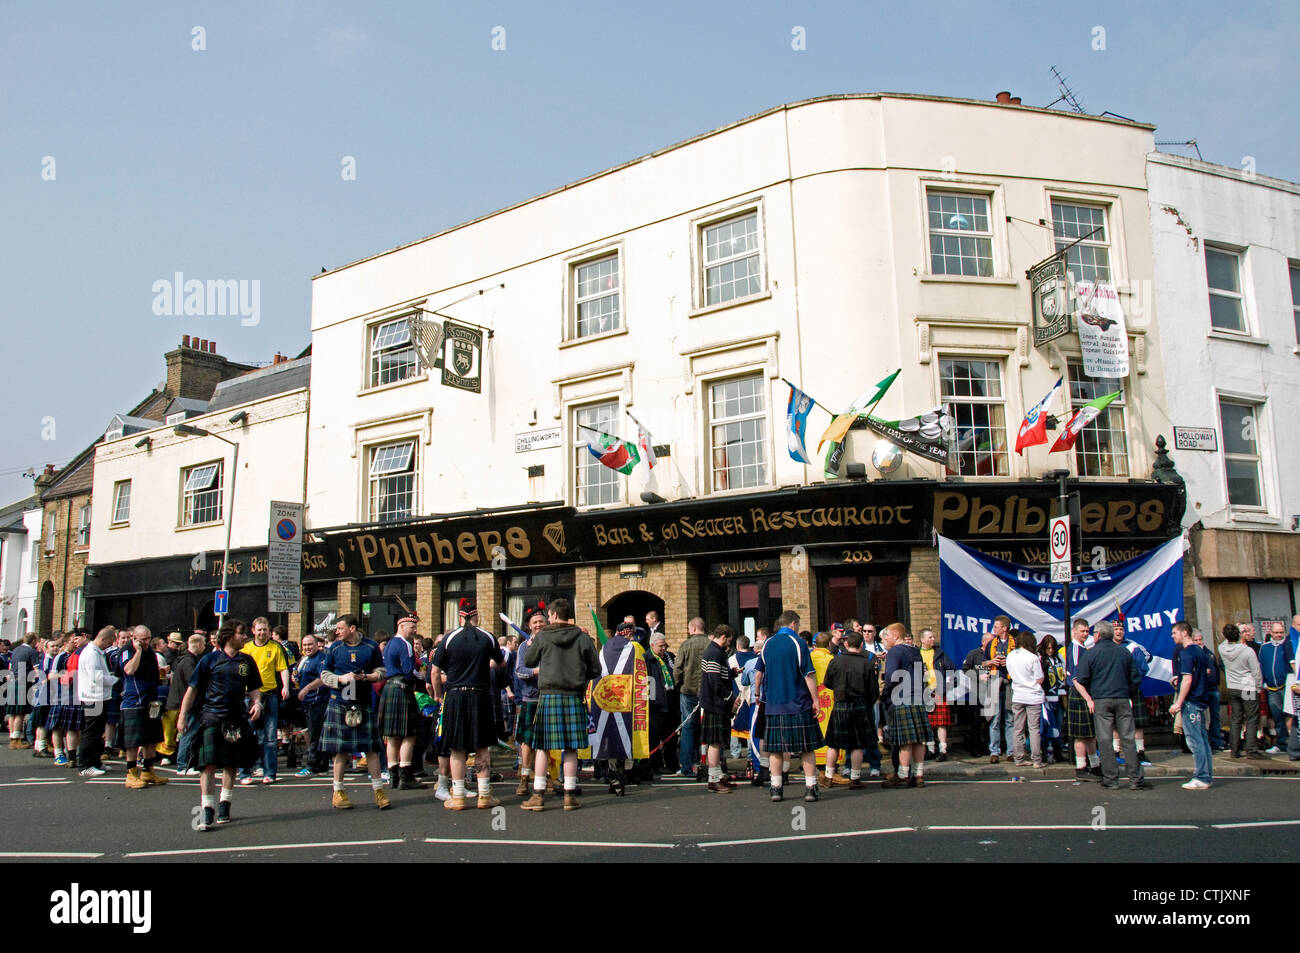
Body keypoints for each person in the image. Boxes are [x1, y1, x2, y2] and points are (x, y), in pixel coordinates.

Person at [178, 621, 263, 830]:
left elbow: (254, 688)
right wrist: (182, 716)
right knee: (207, 764)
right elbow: (193, 690)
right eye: (241, 633)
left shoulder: (247, 661)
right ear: (229, 636)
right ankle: (207, 809)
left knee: (231, 763)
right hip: (212, 716)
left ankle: (225, 804)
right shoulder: (209, 660)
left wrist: (257, 702)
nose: (245, 637)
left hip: (237, 717)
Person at [521, 597, 600, 811]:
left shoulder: (543, 636)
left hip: (549, 695)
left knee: (542, 747)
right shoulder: (583, 638)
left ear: (554, 615)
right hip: (574, 695)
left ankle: (537, 797)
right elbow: (596, 670)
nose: (547, 619)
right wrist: (581, 678)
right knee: (571, 748)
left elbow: (528, 662)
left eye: (548, 615)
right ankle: (569, 796)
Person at [429, 599, 503, 811]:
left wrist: (438, 695)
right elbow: (501, 664)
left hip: (455, 696)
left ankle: (459, 796)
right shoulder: (488, 637)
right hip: (480, 695)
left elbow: (435, 671)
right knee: (482, 748)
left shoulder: (450, 637)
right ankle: (484, 796)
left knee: (457, 748)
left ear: (461, 617)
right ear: (476, 616)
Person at [317, 615, 390, 810]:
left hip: (363, 703)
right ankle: (338, 792)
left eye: (340, 628)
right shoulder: (334, 648)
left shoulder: (371, 647)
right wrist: (340, 679)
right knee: (341, 751)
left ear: (352, 628)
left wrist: (366, 677)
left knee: (372, 750)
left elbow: (382, 671)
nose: (337, 631)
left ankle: (378, 791)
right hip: (340, 704)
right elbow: (324, 675)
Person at [754, 610, 823, 803]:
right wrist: (815, 700)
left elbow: (758, 673)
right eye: (798, 625)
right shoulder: (798, 643)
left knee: (775, 748)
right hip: (798, 703)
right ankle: (810, 787)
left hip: (774, 704)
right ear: (793, 624)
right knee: (806, 748)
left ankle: (776, 788)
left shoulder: (767, 644)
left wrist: (758, 694)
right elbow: (808, 674)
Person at [1073, 621, 1149, 791]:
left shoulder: (1091, 654)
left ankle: (1111, 778)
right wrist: (1128, 692)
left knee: (1105, 740)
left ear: (1098, 635)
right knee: (1128, 739)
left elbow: (1081, 678)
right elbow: (1135, 677)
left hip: (1101, 699)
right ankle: (1135, 779)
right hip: (1122, 698)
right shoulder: (1124, 652)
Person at [821, 630, 876, 790]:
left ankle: (829, 777)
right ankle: (855, 779)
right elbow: (873, 690)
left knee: (833, 744)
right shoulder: (867, 663)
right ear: (861, 645)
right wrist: (867, 703)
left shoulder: (836, 661)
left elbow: (827, 682)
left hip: (841, 704)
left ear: (846, 644)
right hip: (860, 705)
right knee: (858, 745)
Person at [238, 617, 290, 785]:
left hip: (270, 695)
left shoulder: (276, 647)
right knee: (246, 734)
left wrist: (286, 687)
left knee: (270, 737)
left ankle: (269, 773)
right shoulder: (246, 648)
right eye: (259, 630)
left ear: (269, 631)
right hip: (250, 697)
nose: (262, 632)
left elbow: (283, 669)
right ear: (253, 631)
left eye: (265, 630)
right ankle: (245, 772)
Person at [880, 622, 930, 788]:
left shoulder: (895, 651)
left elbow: (892, 677)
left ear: (895, 635)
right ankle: (919, 775)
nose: (884, 640)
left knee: (905, 742)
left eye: (886, 636)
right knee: (918, 740)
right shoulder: (916, 651)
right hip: (917, 698)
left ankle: (903, 776)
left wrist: (885, 693)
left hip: (901, 698)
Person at [380, 613, 425, 790]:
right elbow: (409, 671)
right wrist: (421, 676)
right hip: (402, 688)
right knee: (409, 734)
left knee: (392, 735)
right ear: (402, 626)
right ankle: (406, 776)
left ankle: (393, 776)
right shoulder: (405, 645)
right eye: (412, 627)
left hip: (390, 687)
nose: (414, 631)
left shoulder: (390, 643)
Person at [120, 625, 168, 788]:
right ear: (134, 638)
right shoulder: (128, 651)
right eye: (143, 639)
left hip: (151, 699)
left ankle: (148, 770)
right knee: (134, 740)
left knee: (152, 738)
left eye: (148, 638)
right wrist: (138, 651)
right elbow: (129, 670)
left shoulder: (151, 654)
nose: (147, 642)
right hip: (134, 700)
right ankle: (131, 774)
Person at [1170, 621, 1215, 789]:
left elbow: (1187, 678)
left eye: (1175, 632)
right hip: (1201, 699)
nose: (1172, 636)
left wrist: (1178, 703)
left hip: (1192, 701)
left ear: (1184, 632)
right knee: (1202, 739)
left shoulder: (1187, 653)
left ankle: (1201, 777)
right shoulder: (1199, 651)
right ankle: (1206, 775)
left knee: (1195, 741)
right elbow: (1206, 673)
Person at [1218, 623, 1266, 760]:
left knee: (1236, 718)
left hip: (1232, 686)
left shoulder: (1222, 649)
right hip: (1247, 685)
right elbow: (1256, 672)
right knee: (1251, 717)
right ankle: (1251, 749)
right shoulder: (1247, 651)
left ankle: (1234, 749)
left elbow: (1224, 640)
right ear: (1239, 635)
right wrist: (1258, 687)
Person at [76, 626, 119, 777]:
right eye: (109, 642)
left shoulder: (96, 652)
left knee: (97, 731)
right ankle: (85, 765)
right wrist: (114, 679)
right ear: (102, 639)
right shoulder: (91, 654)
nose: (109, 645)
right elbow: (97, 677)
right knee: (91, 732)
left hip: (99, 696)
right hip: (93, 697)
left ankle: (95, 761)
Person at [512, 606, 547, 796]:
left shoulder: (552, 643)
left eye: (541, 621)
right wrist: (537, 671)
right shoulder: (525, 646)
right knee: (527, 742)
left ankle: (549, 778)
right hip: (531, 698)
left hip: (549, 696)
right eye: (535, 622)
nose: (538, 624)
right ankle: (525, 778)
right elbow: (519, 671)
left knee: (550, 740)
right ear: (529, 626)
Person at [699, 623, 736, 795]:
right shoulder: (714, 653)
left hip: (714, 703)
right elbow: (714, 681)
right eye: (729, 640)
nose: (730, 643)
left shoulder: (714, 651)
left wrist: (732, 673)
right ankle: (713, 780)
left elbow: (717, 675)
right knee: (714, 742)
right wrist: (729, 698)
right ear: (723, 637)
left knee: (717, 741)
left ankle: (718, 775)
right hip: (715, 704)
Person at [1063, 618, 1101, 781]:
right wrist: (1088, 698)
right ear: (1075, 631)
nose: (1085, 634)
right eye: (1082, 631)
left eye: (1087, 631)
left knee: (1090, 733)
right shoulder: (1076, 649)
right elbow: (1078, 678)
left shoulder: (1082, 648)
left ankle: (1095, 765)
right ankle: (1081, 768)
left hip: (1085, 693)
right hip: (1080, 693)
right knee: (1080, 734)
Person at [672, 617, 709, 779]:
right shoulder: (711, 645)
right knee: (707, 729)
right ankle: (709, 764)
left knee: (687, 728)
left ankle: (687, 766)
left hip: (688, 691)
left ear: (693, 628)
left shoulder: (686, 645)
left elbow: (677, 669)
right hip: (707, 693)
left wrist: (677, 685)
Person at [1112, 622, 1153, 766]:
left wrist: (1132, 681)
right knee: (1115, 724)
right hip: (1115, 691)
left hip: (1133, 689)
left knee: (1137, 723)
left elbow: (1143, 668)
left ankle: (1140, 753)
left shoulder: (1132, 647)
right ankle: (1115, 752)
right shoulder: (1107, 647)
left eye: (1121, 629)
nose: (1119, 632)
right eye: (1116, 629)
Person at [1006, 629, 1045, 768]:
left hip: (1017, 695)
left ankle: (1019, 758)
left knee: (1018, 729)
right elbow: (1039, 679)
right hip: (1033, 696)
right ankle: (1036, 760)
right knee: (1034, 729)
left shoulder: (1010, 656)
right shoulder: (1033, 658)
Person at [294, 634, 331, 776]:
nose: (307, 648)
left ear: (316, 645)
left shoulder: (321, 659)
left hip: (318, 701)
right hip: (308, 702)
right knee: (314, 733)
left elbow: (323, 678)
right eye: (304, 645)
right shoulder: (306, 660)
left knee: (315, 735)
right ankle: (322, 765)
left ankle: (312, 766)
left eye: (310, 645)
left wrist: (307, 688)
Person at [918, 628, 956, 762]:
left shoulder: (940, 653)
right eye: (929, 637)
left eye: (933, 637)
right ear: (922, 639)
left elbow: (952, 672)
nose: (932, 639)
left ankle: (943, 750)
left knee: (941, 724)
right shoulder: (916, 654)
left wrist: (943, 690)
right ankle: (930, 750)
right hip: (924, 693)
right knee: (927, 724)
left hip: (939, 692)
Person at [170, 635, 206, 774]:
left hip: (187, 702)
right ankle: (183, 764)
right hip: (188, 703)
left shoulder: (185, 659)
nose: (204, 647)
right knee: (188, 732)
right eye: (203, 644)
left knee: (189, 732)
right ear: (197, 644)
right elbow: (194, 683)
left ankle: (186, 763)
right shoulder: (188, 661)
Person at [1260, 622, 1295, 754]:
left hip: (1286, 685)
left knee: (1291, 716)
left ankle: (1293, 744)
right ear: (1271, 632)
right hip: (1272, 688)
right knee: (1277, 716)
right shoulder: (1265, 648)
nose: (1279, 635)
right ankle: (1281, 744)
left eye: (1281, 632)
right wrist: (1264, 682)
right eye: (1276, 633)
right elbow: (1261, 665)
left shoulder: (1287, 645)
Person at [984, 616, 1015, 763]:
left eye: (996, 627)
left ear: (1004, 628)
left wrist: (1008, 662)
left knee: (1010, 718)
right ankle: (994, 751)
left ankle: (1011, 751)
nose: (994, 629)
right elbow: (982, 663)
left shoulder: (1014, 643)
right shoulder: (991, 644)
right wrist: (991, 661)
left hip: (1009, 683)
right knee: (994, 719)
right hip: (995, 682)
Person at [960, 630, 995, 757]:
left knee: (989, 722)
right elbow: (965, 670)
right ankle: (975, 748)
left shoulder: (994, 654)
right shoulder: (974, 654)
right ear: (983, 642)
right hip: (976, 693)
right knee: (975, 722)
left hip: (991, 692)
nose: (993, 644)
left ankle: (987, 747)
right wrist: (978, 677)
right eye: (990, 641)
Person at [648, 633, 679, 775]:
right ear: (652, 645)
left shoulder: (670, 657)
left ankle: (671, 763)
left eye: (665, 645)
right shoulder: (647, 660)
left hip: (671, 702)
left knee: (671, 738)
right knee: (654, 738)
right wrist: (652, 702)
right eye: (661, 646)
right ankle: (655, 765)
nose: (664, 648)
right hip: (656, 705)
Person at [5, 633, 39, 749]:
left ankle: (12, 737)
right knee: (20, 713)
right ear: (33, 641)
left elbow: (10, 667)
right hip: (23, 682)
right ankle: (16, 740)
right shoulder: (32, 652)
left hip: (12, 681)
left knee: (12, 713)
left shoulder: (15, 650)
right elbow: (37, 670)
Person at [1038, 634, 1066, 763]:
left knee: (1058, 726)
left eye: (1052, 648)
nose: (1050, 650)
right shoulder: (1040, 659)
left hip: (1059, 696)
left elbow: (1063, 673)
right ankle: (1044, 752)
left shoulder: (1058, 657)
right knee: (1046, 726)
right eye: (1048, 648)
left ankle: (1058, 752)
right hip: (1046, 697)